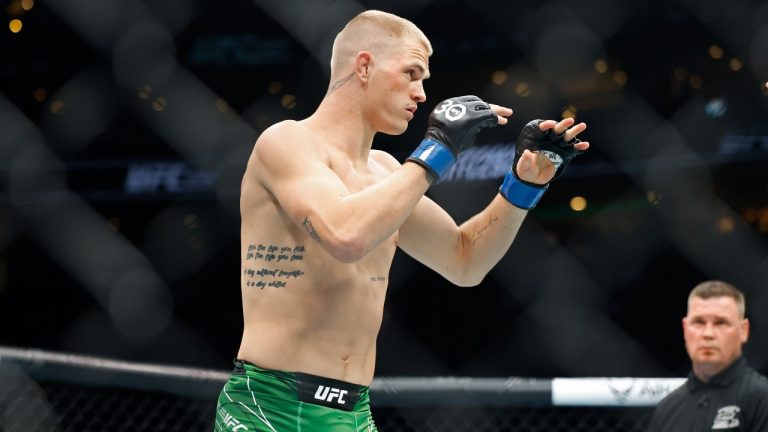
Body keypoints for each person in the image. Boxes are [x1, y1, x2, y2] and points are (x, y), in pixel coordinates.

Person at [213, 9, 589, 432]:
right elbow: (345, 235)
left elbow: (466, 261)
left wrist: (523, 184)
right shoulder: (287, 142)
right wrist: (438, 149)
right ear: (365, 66)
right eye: (412, 73)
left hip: (354, 413)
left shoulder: (388, 173)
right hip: (272, 408)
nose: (422, 93)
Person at [647, 280, 768, 431]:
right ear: (685, 328)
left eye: (720, 323)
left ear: (743, 330)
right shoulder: (667, 409)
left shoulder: (762, 399)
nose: (708, 334)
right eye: (698, 322)